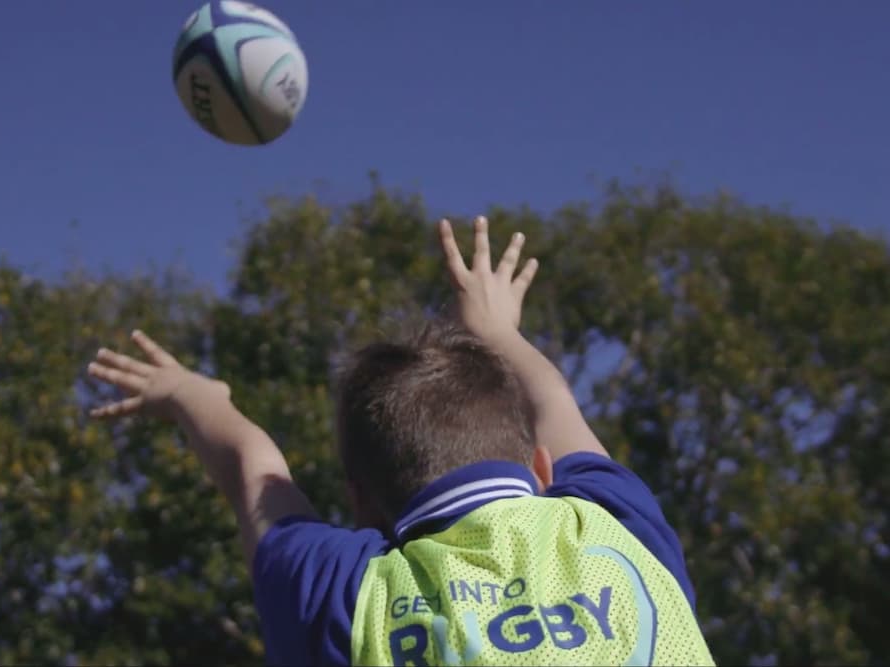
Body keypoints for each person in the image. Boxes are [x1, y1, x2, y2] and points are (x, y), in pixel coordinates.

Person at [87, 216, 715, 666]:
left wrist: (196, 396)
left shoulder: (347, 598)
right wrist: (496, 330)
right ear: (543, 471)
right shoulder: (613, 527)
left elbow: (253, 467)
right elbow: (554, 400)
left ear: (363, 508)